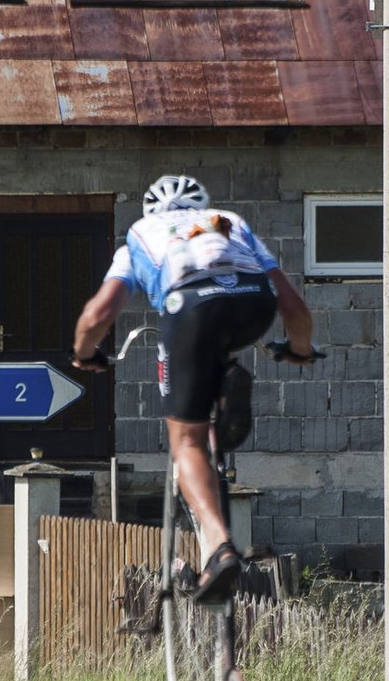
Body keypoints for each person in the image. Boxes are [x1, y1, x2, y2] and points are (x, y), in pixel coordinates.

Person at [71, 174, 319, 603]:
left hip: (190, 306)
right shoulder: (230, 223)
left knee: (185, 441)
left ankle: (221, 546)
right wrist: (298, 349)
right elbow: (294, 306)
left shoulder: (140, 236)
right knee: (218, 345)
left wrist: (84, 353)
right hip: (252, 303)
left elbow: (99, 314)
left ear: (153, 212)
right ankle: (225, 390)